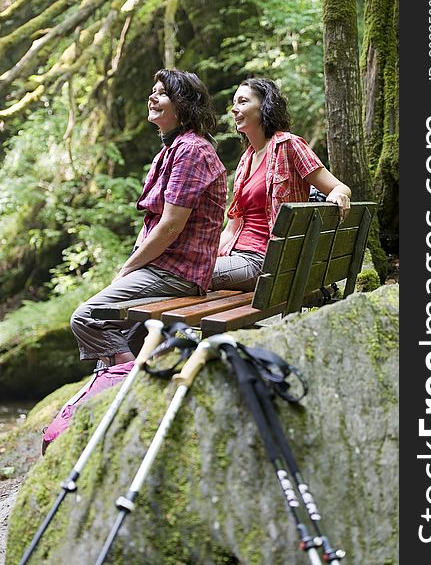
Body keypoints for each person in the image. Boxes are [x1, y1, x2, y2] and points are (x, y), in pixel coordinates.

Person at [42, 69, 227, 451]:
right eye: (153, 90)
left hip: (177, 272)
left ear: (184, 105)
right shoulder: (173, 149)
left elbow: (171, 226)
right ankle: (122, 393)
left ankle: (129, 391)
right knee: (122, 329)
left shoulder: (192, 150)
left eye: (163, 94)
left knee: (87, 317)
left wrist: (129, 267)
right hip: (167, 267)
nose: (153, 97)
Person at [211, 78, 351, 293]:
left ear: (264, 106)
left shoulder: (289, 145)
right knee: (184, 271)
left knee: (187, 276)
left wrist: (339, 195)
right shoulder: (245, 160)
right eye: (234, 102)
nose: (234, 108)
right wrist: (201, 255)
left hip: (264, 261)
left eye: (243, 101)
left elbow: (339, 187)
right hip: (235, 256)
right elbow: (231, 230)